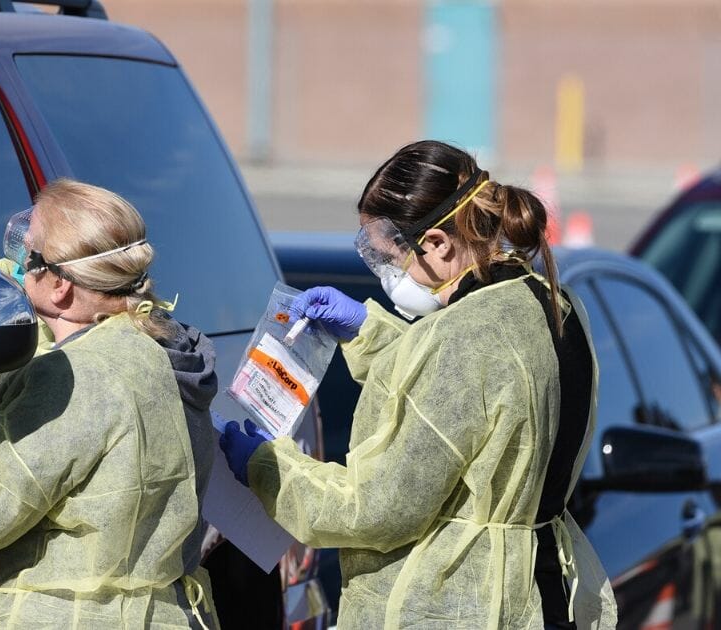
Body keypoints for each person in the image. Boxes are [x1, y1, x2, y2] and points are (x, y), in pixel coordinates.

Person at [218, 140, 617, 629]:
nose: (389, 274)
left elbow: (378, 507)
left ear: (437, 244)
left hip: (464, 608)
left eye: (390, 257)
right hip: (543, 590)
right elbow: (479, 403)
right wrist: (368, 333)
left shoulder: (462, 338)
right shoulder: (552, 304)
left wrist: (266, 469)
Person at [0, 175, 220, 628]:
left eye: (27, 255)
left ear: (62, 289)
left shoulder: (80, 379)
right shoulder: (147, 340)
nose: (14, 264)